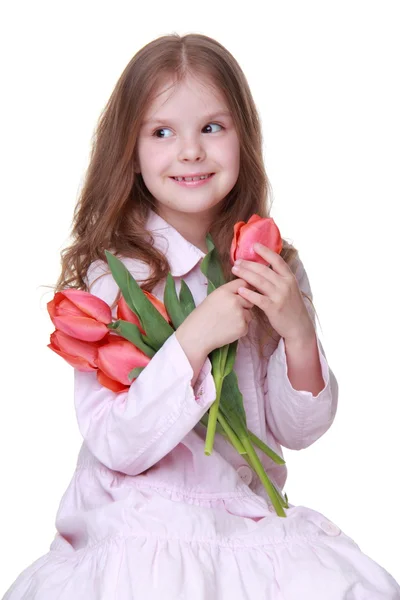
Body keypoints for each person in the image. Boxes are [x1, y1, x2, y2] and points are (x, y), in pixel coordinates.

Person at [4, 33, 400, 600]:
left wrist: (297, 332)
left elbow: (299, 431)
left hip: (246, 517)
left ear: (244, 137)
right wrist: (192, 339)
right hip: (140, 517)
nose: (190, 151)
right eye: (162, 132)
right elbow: (115, 441)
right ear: (131, 152)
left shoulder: (270, 266)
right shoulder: (114, 276)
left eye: (212, 127)